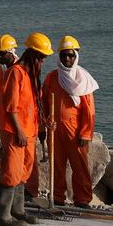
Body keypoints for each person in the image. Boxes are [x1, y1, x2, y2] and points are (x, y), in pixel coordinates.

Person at [0, 32, 52, 226]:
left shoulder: (31, 75)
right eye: (41, 57)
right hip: (14, 131)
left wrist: (44, 123)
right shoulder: (16, 73)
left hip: (29, 131)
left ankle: (17, 210)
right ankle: (3, 216)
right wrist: (18, 130)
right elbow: (11, 107)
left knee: (23, 172)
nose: (43, 61)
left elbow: (34, 106)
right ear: (33, 54)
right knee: (11, 172)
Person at [41, 35, 98, 208]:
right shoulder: (52, 77)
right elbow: (43, 102)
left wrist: (86, 133)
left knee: (79, 166)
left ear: (76, 56)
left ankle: (82, 199)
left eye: (71, 55)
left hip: (76, 131)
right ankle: (57, 196)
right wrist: (45, 121)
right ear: (59, 56)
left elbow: (89, 110)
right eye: (64, 55)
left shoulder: (83, 80)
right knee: (56, 165)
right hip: (55, 129)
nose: (67, 58)